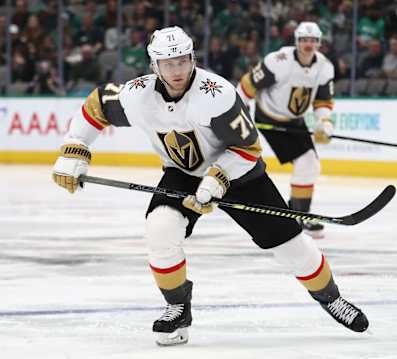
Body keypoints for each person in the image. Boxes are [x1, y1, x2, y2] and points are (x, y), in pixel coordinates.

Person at [52, 26, 368, 346]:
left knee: (291, 246)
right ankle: (177, 308)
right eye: (168, 63)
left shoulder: (216, 94)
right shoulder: (138, 96)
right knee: (160, 228)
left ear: (192, 58)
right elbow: (96, 106)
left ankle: (331, 298)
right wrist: (75, 147)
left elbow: (248, 150)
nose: (177, 70)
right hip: (183, 173)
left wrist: (216, 181)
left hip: (241, 174)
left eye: (183, 61)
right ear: (154, 66)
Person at [237, 22, 335, 239]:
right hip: (268, 118)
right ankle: (301, 214)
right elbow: (247, 85)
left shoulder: (325, 67)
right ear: (297, 41)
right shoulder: (278, 61)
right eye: (304, 40)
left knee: (310, 164)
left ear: (319, 42)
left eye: (312, 40)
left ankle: (299, 212)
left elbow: (322, 101)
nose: (308, 44)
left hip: (294, 121)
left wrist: (324, 123)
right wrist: (239, 113)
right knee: (306, 162)